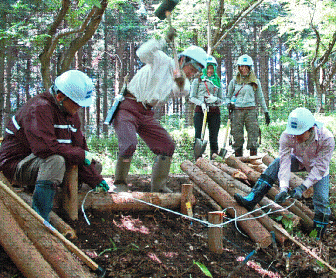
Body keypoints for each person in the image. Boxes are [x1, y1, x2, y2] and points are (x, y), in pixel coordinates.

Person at [0, 70, 109, 222]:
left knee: (93, 166)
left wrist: (95, 180)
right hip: (16, 166)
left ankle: (65, 202)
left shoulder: (70, 114)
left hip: (40, 163)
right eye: (76, 103)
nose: (79, 107)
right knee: (55, 161)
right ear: (60, 97)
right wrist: (80, 155)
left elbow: (79, 149)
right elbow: (45, 148)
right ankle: (40, 217)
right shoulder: (38, 108)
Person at [113, 31, 208, 192]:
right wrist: (163, 40)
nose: (192, 74)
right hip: (128, 106)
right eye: (191, 69)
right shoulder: (161, 60)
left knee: (167, 145)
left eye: (195, 72)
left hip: (146, 114)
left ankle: (159, 188)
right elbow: (142, 53)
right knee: (129, 144)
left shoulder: (182, 80)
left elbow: (183, 90)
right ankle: (119, 184)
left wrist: (179, 77)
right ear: (182, 59)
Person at [234, 107, 335, 240]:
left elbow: (320, 168)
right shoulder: (288, 135)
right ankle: (253, 197)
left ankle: (318, 235)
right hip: (298, 160)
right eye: (294, 133)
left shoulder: (326, 138)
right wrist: (283, 188)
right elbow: (285, 163)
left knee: (321, 199)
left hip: (318, 167)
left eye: (299, 134)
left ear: (311, 129)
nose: (296, 137)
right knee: (277, 162)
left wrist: (303, 187)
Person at [226, 54, 270, 157]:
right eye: (242, 66)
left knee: (253, 135)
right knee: (237, 136)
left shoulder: (255, 81)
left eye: (246, 66)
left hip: (251, 111)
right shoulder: (234, 81)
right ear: (239, 67)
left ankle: (253, 161)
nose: (244, 69)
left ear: (250, 68)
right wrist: (229, 104)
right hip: (237, 112)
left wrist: (266, 112)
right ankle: (238, 161)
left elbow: (260, 97)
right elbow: (227, 97)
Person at [189, 55, 223, 159]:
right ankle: (198, 160)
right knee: (199, 136)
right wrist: (201, 104)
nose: (209, 70)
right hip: (201, 111)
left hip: (214, 112)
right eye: (207, 68)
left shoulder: (218, 82)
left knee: (214, 138)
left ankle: (215, 161)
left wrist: (215, 100)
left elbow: (222, 100)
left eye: (212, 68)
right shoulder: (197, 81)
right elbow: (191, 97)